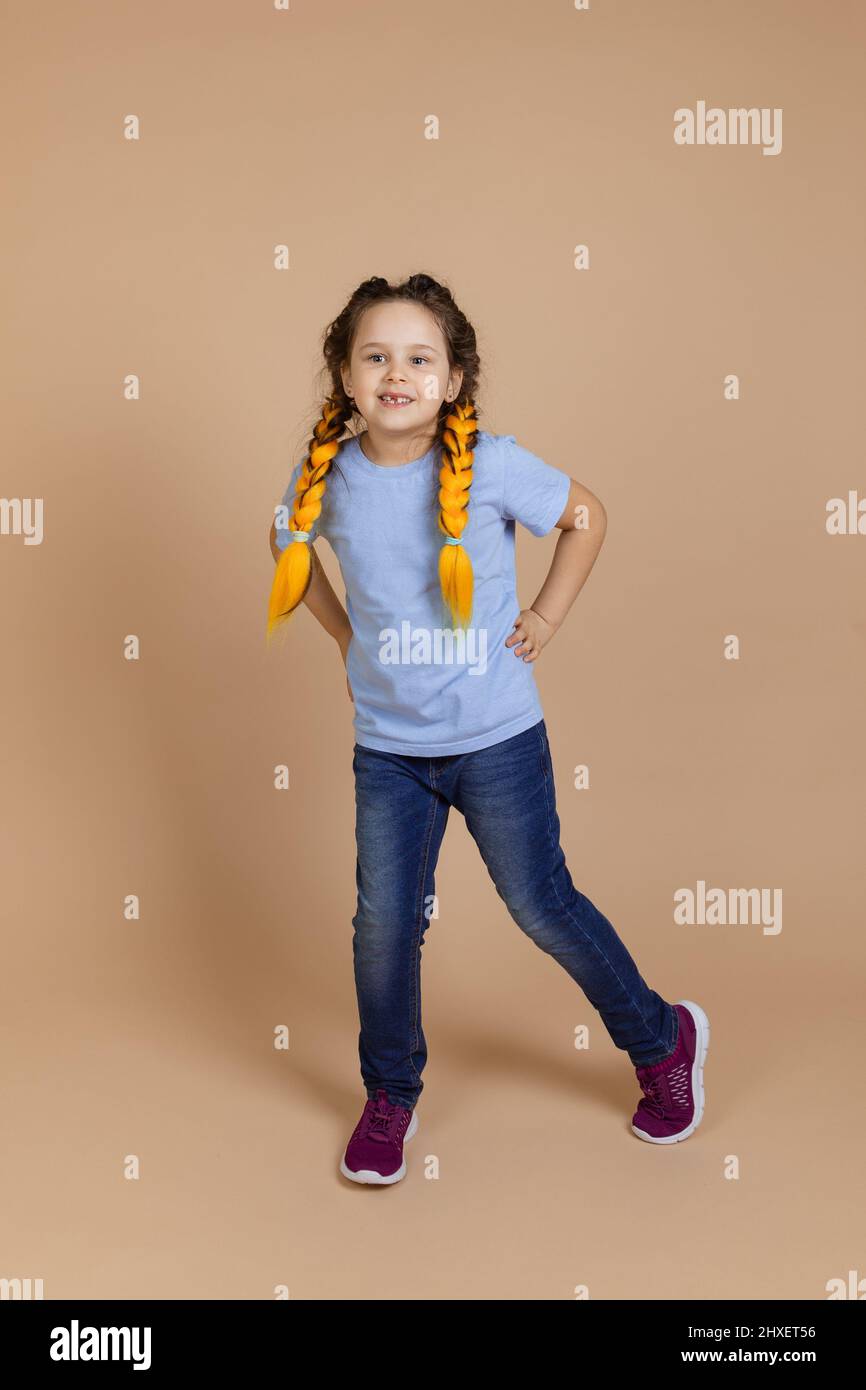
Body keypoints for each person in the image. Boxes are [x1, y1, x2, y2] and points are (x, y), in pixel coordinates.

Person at [266, 272, 710, 1185]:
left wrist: (545, 615)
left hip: (496, 737)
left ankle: (664, 1040)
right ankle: (390, 1094)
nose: (397, 372)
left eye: (419, 358)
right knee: (383, 925)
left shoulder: (493, 465)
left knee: (541, 905)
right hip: (390, 750)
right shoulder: (332, 480)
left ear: (454, 377)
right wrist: (349, 640)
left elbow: (586, 516)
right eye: (375, 356)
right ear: (345, 378)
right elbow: (286, 548)